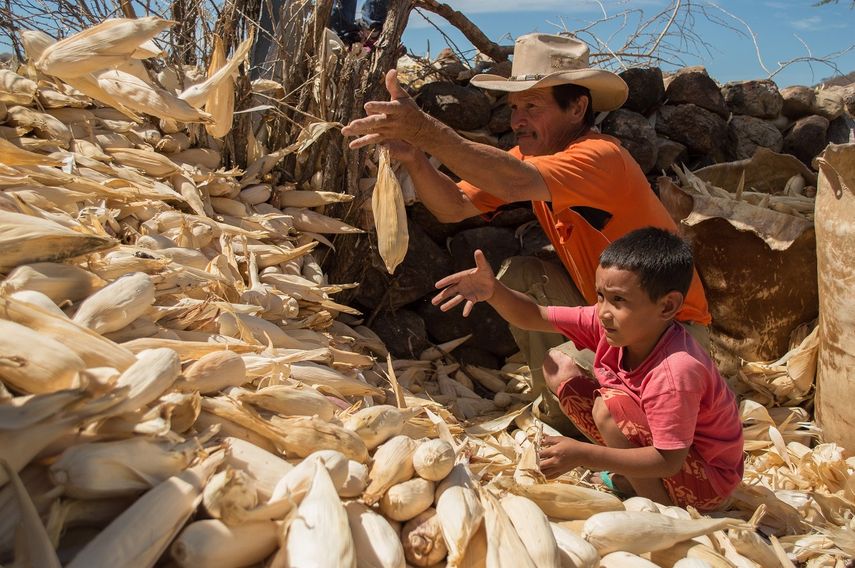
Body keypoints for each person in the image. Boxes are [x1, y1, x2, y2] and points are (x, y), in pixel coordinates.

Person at [342, 33, 712, 432]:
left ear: (578, 107)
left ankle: (575, 413)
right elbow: (452, 206)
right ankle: (567, 405)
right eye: (514, 106)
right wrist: (416, 158)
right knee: (520, 274)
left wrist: (425, 130)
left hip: (666, 328)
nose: (517, 120)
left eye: (532, 106)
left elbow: (513, 181)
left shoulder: (601, 157)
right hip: (609, 314)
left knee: (565, 366)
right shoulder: (532, 157)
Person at [432, 228, 744, 510]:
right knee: (560, 370)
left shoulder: (676, 371)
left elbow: (668, 460)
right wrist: (494, 292)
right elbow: (535, 315)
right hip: (669, 456)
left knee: (608, 409)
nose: (604, 312)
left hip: (707, 482)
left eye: (618, 300)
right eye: (600, 296)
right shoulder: (612, 323)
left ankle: (660, 507)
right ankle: (631, 479)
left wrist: (584, 455)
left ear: (666, 306)